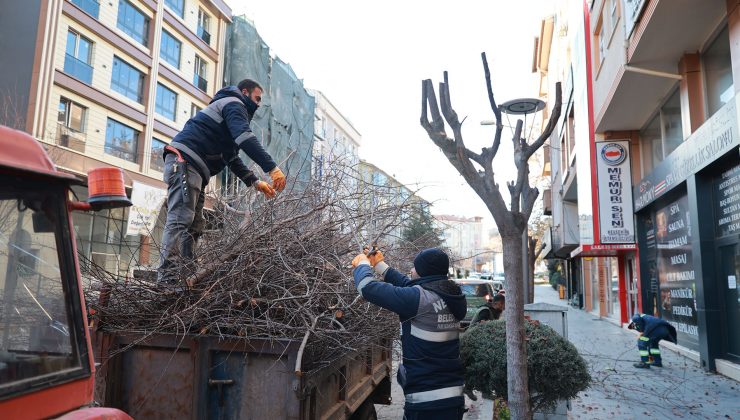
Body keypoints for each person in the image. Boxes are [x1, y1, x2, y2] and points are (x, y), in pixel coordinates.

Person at [158, 79, 286, 284]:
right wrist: (272, 168)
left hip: (195, 169)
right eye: (257, 98)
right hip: (184, 162)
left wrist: (254, 182)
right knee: (180, 219)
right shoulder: (233, 103)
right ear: (245, 92)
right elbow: (245, 138)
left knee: (195, 226)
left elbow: (231, 157)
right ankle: (168, 279)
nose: (259, 104)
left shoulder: (228, 112)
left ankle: (188, 276)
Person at [352, 248, 467, 420]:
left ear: (423, 272)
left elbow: (367, 288)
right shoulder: (451, 295)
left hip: (425, 402)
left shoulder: (418, 299)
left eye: (414, 268)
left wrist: (362, 264)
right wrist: (381, 266)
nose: (411, 271)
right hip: (452, 397)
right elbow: (410, 286)